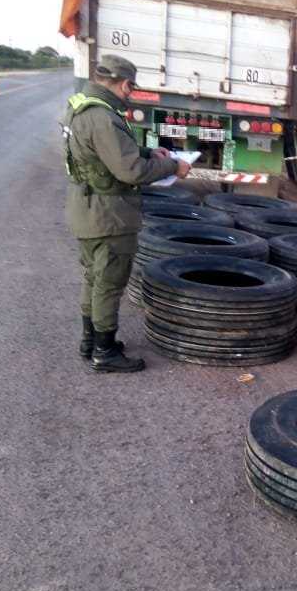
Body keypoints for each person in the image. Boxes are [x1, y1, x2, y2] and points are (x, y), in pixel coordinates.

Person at [61, 54, 191, 373]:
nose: (130, 93)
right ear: (124, 83)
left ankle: (90, 341)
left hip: (86, 209)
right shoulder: (104, 117)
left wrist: (150, 152)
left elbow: (106, 151)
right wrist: (174, 165)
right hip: (110, 216)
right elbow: (130, 170)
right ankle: (104, 353)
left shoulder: (82, 105)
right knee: (108, 283)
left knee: (94, 278)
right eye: (130, 88)